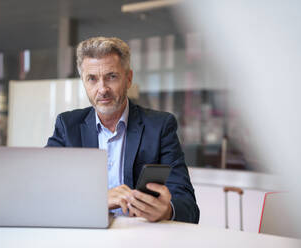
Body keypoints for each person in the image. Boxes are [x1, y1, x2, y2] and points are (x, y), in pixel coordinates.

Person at [47, 37, 199, 224]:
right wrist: (98, 199)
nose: (102, 89)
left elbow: (189, 206)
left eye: (112, 76)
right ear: (84, 82)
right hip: (84, 236)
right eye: (92, 79)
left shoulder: (160, 126)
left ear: (128, 79)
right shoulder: (67, 126)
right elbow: (45, 191)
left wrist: (167, 210)